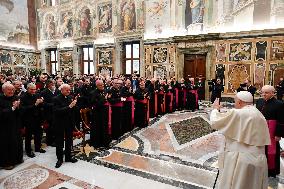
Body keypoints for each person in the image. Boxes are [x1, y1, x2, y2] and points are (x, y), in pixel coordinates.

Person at [210, 91, 270, 189]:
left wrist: (215, 109)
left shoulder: (237, 113)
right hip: (258, 159)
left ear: (240, 102)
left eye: (235, 101)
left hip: (240, 160)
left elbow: (215, 122)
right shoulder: (258, 113)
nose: (234, 104)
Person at [256, 85, 284, 177]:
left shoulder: (279, 104)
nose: (264, 94)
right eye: (262, 92)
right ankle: (260, 167)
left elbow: (281, 120)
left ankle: (271, 170)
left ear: (273, 93)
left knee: (272, 151)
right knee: (260, 149)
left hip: (272, 131)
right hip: (260, 130)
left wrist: (278, 134)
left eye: (266, 93)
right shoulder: (259, 101)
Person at [53, 84, 78, 168]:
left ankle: (68, 157)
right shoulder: (56, 99)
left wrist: (75, 106)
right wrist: (69, 106)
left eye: (69, 90)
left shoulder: (70, 97)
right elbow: (57, 111)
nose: (68, 91)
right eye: (67, 90)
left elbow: (72, 111)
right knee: (59, 142)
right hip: (59, 123)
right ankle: (59, 159)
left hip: (69, 123)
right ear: (62, 90)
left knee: (69, 141)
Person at [0, 82, 23, 170]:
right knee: (6, 144)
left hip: (16, 125)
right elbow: (1, 113)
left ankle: (17, 159)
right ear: (3, 90)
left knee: (16, 142)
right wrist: (12, 108)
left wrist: (18, 108)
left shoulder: (16, 97)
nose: (12, 91)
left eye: (13, 89)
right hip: (4, 127)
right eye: (9, 90)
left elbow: (21, 112)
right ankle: (7, 163)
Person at [21, 83, 45, 158]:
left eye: (34, 89)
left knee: (38, 134)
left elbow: (40, 106)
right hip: (29, 119)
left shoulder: (37, 94)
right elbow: (23, 109)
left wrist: (41, 102)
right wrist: (35, 104)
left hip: (38, 118)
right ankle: (28, 151)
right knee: (28, 136)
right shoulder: (23, 97)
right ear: (27, 89)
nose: (33, 91)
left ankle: (38, 147)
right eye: (32, 89)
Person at [90, 80, 110, 148]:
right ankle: (97, 143)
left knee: (104, 127)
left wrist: (107, 99)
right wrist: (104, 99)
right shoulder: (93, 93)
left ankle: (104, 142)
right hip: (97, 114)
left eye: (103, 85)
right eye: (100, 85)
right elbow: (96, 104)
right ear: (97, 85)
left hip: (104, 112)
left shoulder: (104, 91)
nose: (102, 86)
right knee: (98, 128)